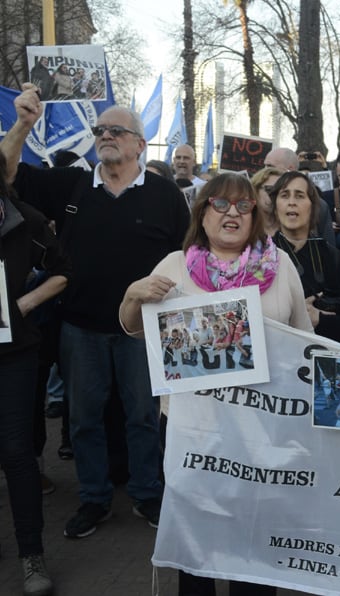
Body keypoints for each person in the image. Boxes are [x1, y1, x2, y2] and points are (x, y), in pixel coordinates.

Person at [1, 85, 190, 539]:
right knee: (83, 419)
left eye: (116, 130)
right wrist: (23, 123)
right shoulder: (71, 184)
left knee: (143, 416)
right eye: (100, 129)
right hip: (79, 328)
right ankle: (94, 499)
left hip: (143, 332)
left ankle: (147, 494)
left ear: (140, 145)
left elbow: (188, 257)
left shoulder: (166, 195)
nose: (105, 135)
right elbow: (5, 176)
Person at [118, 172, 312, 596]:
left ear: (256, 217)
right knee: (199, 539)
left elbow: (304, 342)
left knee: (256, 539)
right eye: (220, 203)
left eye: (244, 206)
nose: (232, 213)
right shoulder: (174, 265)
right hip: (195, 431)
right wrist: (134, 294)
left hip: (262, 429)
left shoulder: (281, 270)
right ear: (202, 213)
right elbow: (135, 328)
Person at [0, 151, 70, 596]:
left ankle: (31, 554)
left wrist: (23, 306)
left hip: (13, 355)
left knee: (16, 451)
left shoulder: (24, 220)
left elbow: (63, 271)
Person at [269, 171, 340, 343]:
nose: (291, 202)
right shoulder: (258, 258)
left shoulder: (334, 258)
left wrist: (319, 319)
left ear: (313, 207)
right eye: (284, 195)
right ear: (275, 207)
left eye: (299, 196)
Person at [262, 147, 335, 246]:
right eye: (264, 166)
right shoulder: (259, 201)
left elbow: (328, 247)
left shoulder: (319, 206)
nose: (265, 171)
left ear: (290, 169)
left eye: (270, 166)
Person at [249, 166, 285, 237]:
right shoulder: (245, 226)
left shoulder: (291, 228)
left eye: (280, 191)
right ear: (255, 190)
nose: (274, 195)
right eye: (269, 189)